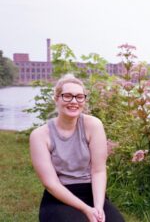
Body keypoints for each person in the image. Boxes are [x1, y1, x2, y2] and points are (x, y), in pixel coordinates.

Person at [30, 74, 124, 222]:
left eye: (80, 97)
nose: (74, 101)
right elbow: (51, 184)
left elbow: (98, 171)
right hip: (59, 196)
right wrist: (86, 210)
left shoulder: (93, 125)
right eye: (67, 96)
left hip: (91, 193)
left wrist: (98, 207)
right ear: (56, 99)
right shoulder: (40, 135)